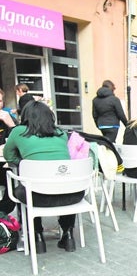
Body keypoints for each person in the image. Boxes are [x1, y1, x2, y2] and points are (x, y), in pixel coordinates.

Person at [3, 101, 83, 253]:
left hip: (37, 197)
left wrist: (25, 165)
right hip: (73, 196)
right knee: (63, 183)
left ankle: (37, 236)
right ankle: (68, 235)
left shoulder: (18, 131)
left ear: (25, 116)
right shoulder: (61, 133)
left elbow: (9, 156)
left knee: (22, 189)